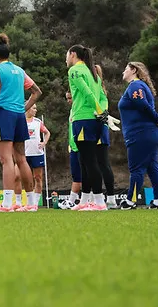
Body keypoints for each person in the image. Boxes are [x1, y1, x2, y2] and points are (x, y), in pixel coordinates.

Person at [0, 34, 42, 213]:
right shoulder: (19, 70)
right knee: (21, 159)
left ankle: (7, 204)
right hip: (19, 115)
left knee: (6, 159)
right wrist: (23, 107)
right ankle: (32, 203)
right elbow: (36, 91)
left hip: (4, 114)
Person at [118, 62, 158, 210]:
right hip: (150, 133)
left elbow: (142, 105)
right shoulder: (139, 86)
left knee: (136, 168)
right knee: (152, 166)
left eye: (125, 69)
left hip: (140, 134)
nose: (123, 72)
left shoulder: (135, 86)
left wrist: (157, 118)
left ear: (133, 70)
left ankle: (130, 201)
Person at [66, 45, 107, 211]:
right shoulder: (93, 72)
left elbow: (86, 93)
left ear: (73, 55)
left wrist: (98, 111)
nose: (66, 59)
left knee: (89, 161)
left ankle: (99, 202)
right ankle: (84, 200)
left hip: (83, 119)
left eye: (67, 55)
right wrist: (103, 112)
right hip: (95, 120)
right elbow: (103, 96)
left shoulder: (75, 71)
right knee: (84, 161)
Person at [95, 65, 118, 209]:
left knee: (102, 163)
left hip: (98, 129)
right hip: (98, 128)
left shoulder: (99, 92)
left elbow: (101, 110)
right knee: (98, 163)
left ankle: (109, 198)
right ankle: (101, 197)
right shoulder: (100, 91)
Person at [23, 103, 50, 210]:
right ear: (28, 108)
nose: (35, 110)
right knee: (26, 179)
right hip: (24, 154)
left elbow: (47, 133)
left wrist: (44, 143)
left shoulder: (38, 122)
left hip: (37, 154)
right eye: (34, 108)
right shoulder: (21, 121)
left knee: (38, 178)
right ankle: (28, 202)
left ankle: (35, 204)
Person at [58, 92, 83, 209]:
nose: (68, 101)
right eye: (67, 98)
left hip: (82, 146)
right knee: (76, 175)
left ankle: (92, 199)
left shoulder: (81, 108)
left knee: (87, 174)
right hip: (73, 147)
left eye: (70, 98)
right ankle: (71, 201)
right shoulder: (72, 110)